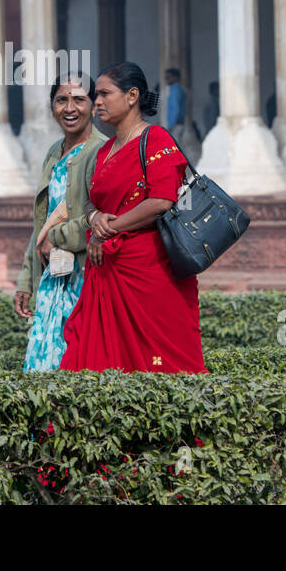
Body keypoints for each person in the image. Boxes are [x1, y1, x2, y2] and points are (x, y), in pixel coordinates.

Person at [60, 61, 205, 374]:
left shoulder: (156, 140)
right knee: (92, 361)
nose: (96, 101)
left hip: (150, 271)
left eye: (104, 94)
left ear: (132, 96)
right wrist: (95, 215)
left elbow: (161, 201)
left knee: (158, 364)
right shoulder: (104, 150)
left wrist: (105, 231)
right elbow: (90, 203)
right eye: (95, 95)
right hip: (106, 270)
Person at [16, 73, 108, 371]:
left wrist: (57, 238)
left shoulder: (103, 151)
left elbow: (104, 218)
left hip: (86, 276)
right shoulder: (54, 152)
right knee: (43, 363)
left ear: (94, 106)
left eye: (79, 100)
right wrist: (26, 281)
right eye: (61, 100)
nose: (70, 108)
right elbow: (41, 221)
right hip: (53, 276)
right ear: (52, 106)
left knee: (77, 361)